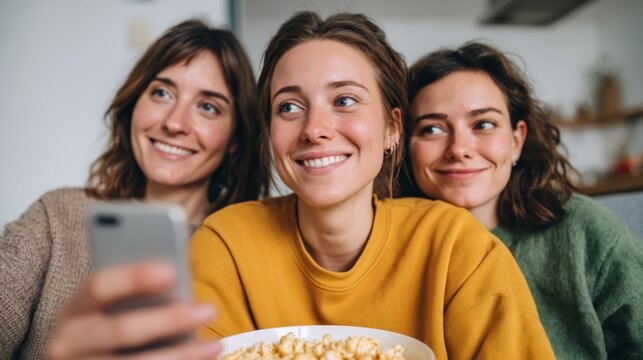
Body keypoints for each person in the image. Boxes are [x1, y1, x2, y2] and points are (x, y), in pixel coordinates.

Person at [190, 11, 555, 359]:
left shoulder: (460, 249)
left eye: (344, 100)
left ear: (393, 128)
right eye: (288, 107)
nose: (314, 129)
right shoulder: (224, 246)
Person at [1, 19, 268, 359]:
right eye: (161, 93)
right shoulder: (56, 216)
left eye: (208, 107)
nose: (174, 123)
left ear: (234, 139)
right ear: (133, 103)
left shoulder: (247, 251)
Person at [402, 41, 643, 359]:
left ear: (516, 141)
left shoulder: (591, 234)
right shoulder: (387, 248)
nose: (459, 148)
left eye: (483, 124)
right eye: (432, 128)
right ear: (404, 145)